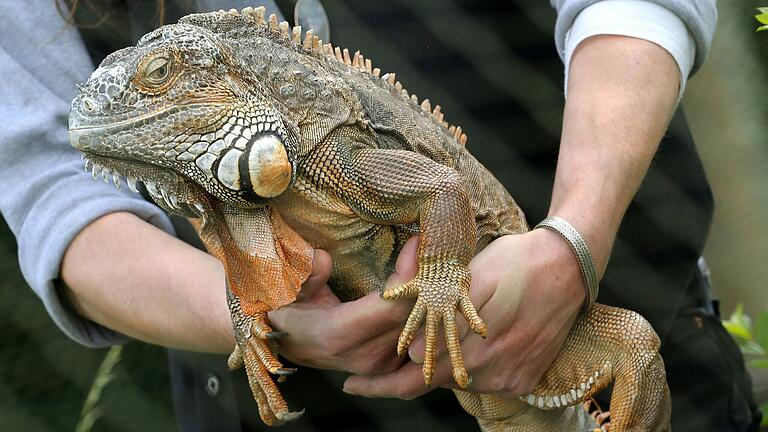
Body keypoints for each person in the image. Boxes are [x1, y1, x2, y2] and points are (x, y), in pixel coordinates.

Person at [0, 0, 758, 431]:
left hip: (581, 310)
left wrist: (574, 241)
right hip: (300, 413)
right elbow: (54, 186)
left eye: (162, 80)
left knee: (629, 349)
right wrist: (252, 314)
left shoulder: (339, 158)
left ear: (218, 81)